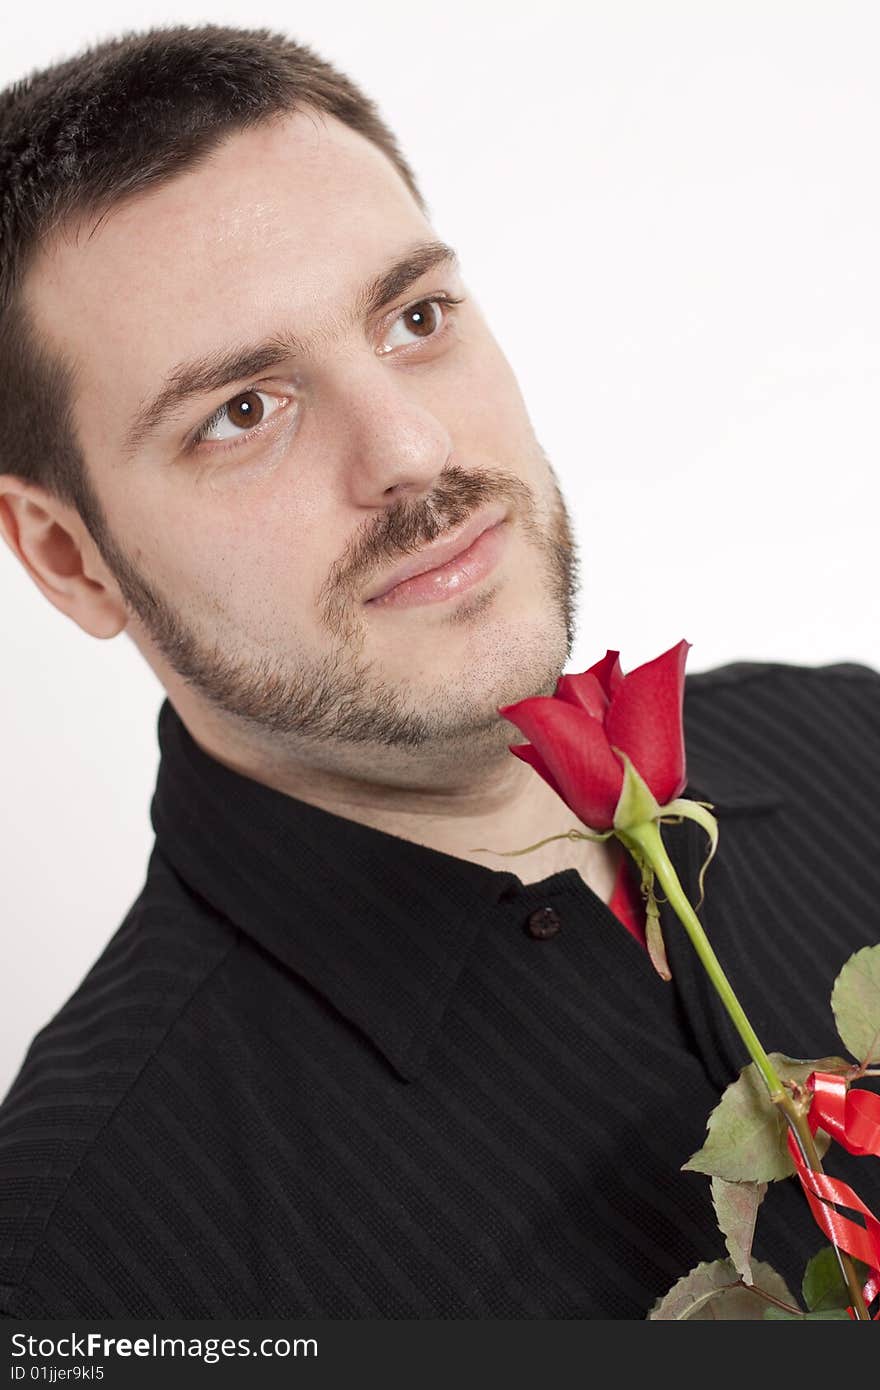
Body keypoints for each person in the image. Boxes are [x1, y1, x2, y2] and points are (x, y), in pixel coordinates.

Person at [0, 24, 877, 1320]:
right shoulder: (84, 1263)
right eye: (243, 408)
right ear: (73, 560)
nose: (411, 446)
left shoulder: (857, 739)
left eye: (415, 317)